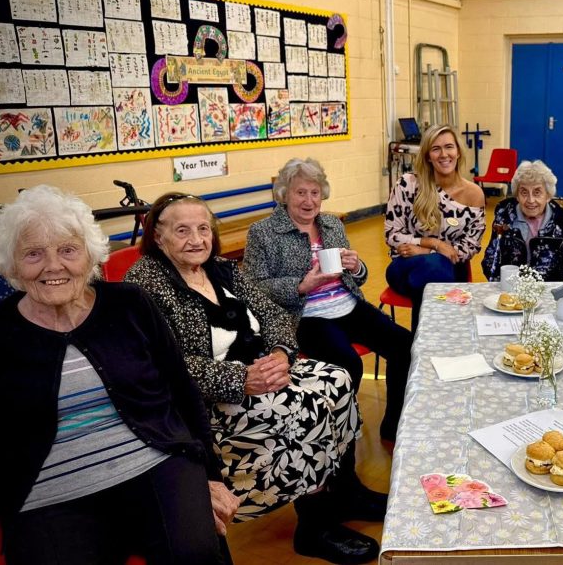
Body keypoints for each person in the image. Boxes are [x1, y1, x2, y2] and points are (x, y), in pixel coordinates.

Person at [126, 193, 382, 565]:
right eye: (182, 231)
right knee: (304, 407)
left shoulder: (221, 268)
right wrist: (240, 378)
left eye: (203, 229)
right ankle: (314, 527)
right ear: (158, 236)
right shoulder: (145, 284)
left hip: (262, 368)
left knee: (337, 379)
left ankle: (344, 490)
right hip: (208, 398)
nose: (196, 239)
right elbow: (165, 363)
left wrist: (280, 354)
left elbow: (273, 312)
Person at [0, 185, 234, 565]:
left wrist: (210, 475)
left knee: (194, 550)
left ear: (90, 255)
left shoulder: (129, 304)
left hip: (157, 461)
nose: (53, 266)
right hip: (50, 490)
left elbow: (183, 390)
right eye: (33, 253)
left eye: (68, 250)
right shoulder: (1, 332)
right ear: (11, 264)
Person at [244, 157, 412, 441]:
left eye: (315, 192)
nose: (309, 200)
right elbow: (252, 288)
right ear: (285, 194)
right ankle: (339, 436)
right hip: (306, 316)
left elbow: (356, 278)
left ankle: (394, 425)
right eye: (300, 192)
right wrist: (301, 286)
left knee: (405, 346)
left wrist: (356, 267)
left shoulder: (332, 224)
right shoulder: (263, 233)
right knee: (348, 364)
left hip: (348, 306)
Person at [385, 124, 487, 331]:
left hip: (450, 269)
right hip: (406, 267)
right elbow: (393, 235)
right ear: (427, 156)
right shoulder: (408, 184)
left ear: (458, 152)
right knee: (434, 272)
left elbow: (470, 247)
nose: (443, 155)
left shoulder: (474, 194)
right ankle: (438, 341)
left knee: (433, 275)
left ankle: (419, 343)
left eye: (449, 147)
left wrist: (425, 251)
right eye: (435, 149)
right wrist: (433, 244)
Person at [482, 160, 563, 282]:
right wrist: (503, 285)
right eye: (524, 192)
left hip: (548, 289)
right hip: (510, 286)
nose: (531, 200)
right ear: (517, 195)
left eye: (537, 192)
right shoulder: (504, 215)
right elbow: (491, 259)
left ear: (548, 196)